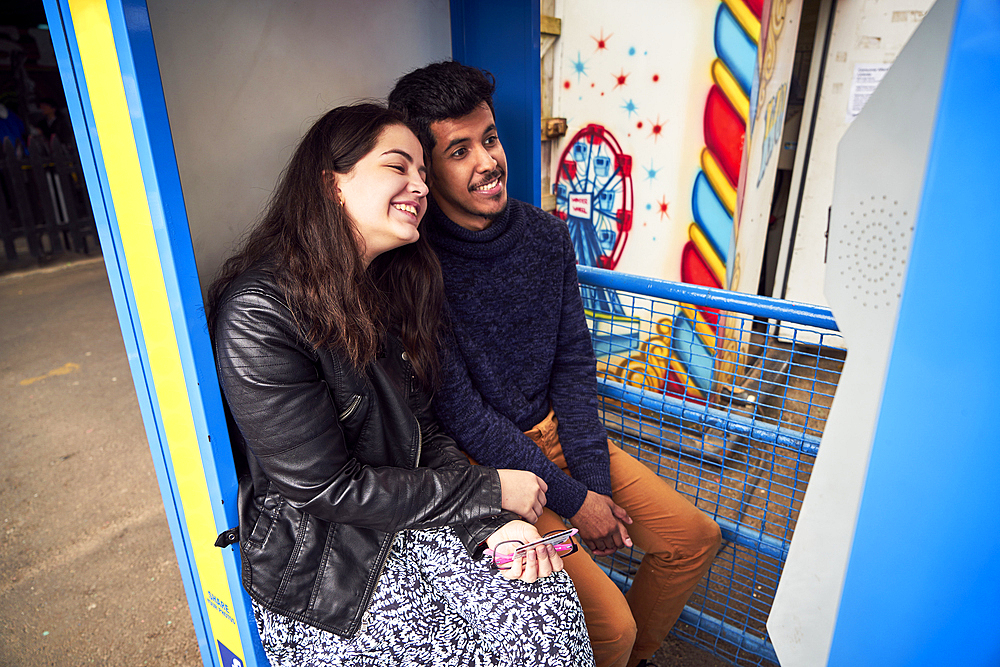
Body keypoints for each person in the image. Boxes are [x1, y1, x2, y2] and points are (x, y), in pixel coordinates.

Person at [207, 103, 594, 666]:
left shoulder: (382, 287)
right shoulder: (260, 313)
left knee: (545, 599)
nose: (420, 185)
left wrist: (489, 527)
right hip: (329, 567)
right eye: (398, 167)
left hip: (400, 523)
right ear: (331, 184)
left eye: (421, 170)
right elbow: (324, 490)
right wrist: (491, 492)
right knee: (522, 633)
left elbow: (426, 431)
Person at [389, 62, 723, 667]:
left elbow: (571, 360)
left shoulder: (545, 235)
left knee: (693, 539)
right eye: (459, 150)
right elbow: (462, 413)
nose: (487, 161)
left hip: (564, 440)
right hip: (492, 465)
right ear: (425, 169)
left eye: (489, 139)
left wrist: (590, 482)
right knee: (610, 629)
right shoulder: (417, 267)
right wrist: (575, 501)